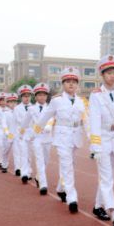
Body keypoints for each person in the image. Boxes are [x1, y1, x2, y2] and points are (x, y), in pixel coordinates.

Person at [30, 68, 90, 213]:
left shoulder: (82, 101)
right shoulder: (56, 100)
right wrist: (34, 133)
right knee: (67, 165)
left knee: (71, 163)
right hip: (62, 137)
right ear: (62, 84)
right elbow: (45, 117)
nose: (71, 84)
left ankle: (60, 188)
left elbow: (87, 121)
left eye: (74, 82)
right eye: (68, 81)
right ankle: (72, 197)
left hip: (76, 137)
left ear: (77, 84)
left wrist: (92, 140)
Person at [88, 55, 114, 226]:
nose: (112, 76)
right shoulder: (96, 96)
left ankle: (98, 206)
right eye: (109, 73)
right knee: (106, 178)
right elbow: (94, 123)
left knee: (109, 177)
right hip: (103, 141)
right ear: (102, 75)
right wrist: (95, 146)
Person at [20, 83, 54, 193]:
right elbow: (25, 122)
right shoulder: (31, 109)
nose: (42, 97)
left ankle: (38, 176)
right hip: (37, 137)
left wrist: (49, 126)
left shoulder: (51, 107)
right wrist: (21, 133)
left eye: (44, 95)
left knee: (46, 160)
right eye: (39, 95)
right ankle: (43, 184)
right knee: (39, 160)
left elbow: (52, 119)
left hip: (47, 137)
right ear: (35, 97)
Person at [13, 85, 33, 178]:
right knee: (23, 153)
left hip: (31, 134)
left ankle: (28, 171)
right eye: (25, 96)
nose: (27, 98)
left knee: (29, 154)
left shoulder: (34, 107)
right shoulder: (17, 108)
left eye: (28, 96)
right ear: (21, 97)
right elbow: (16, 122)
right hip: (21, 133)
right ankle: (24, 173)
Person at [1, 93, 18, 173]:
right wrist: (6, 132)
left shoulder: (18, 111)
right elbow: (3, 123)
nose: (13, 104)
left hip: (16, 134)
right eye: (11, 102)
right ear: (7, 103)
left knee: (17, 151)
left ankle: (18, 168)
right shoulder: (5, 112)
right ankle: (4, 165)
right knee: (6, 151)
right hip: (7, 135)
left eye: (14, 102)